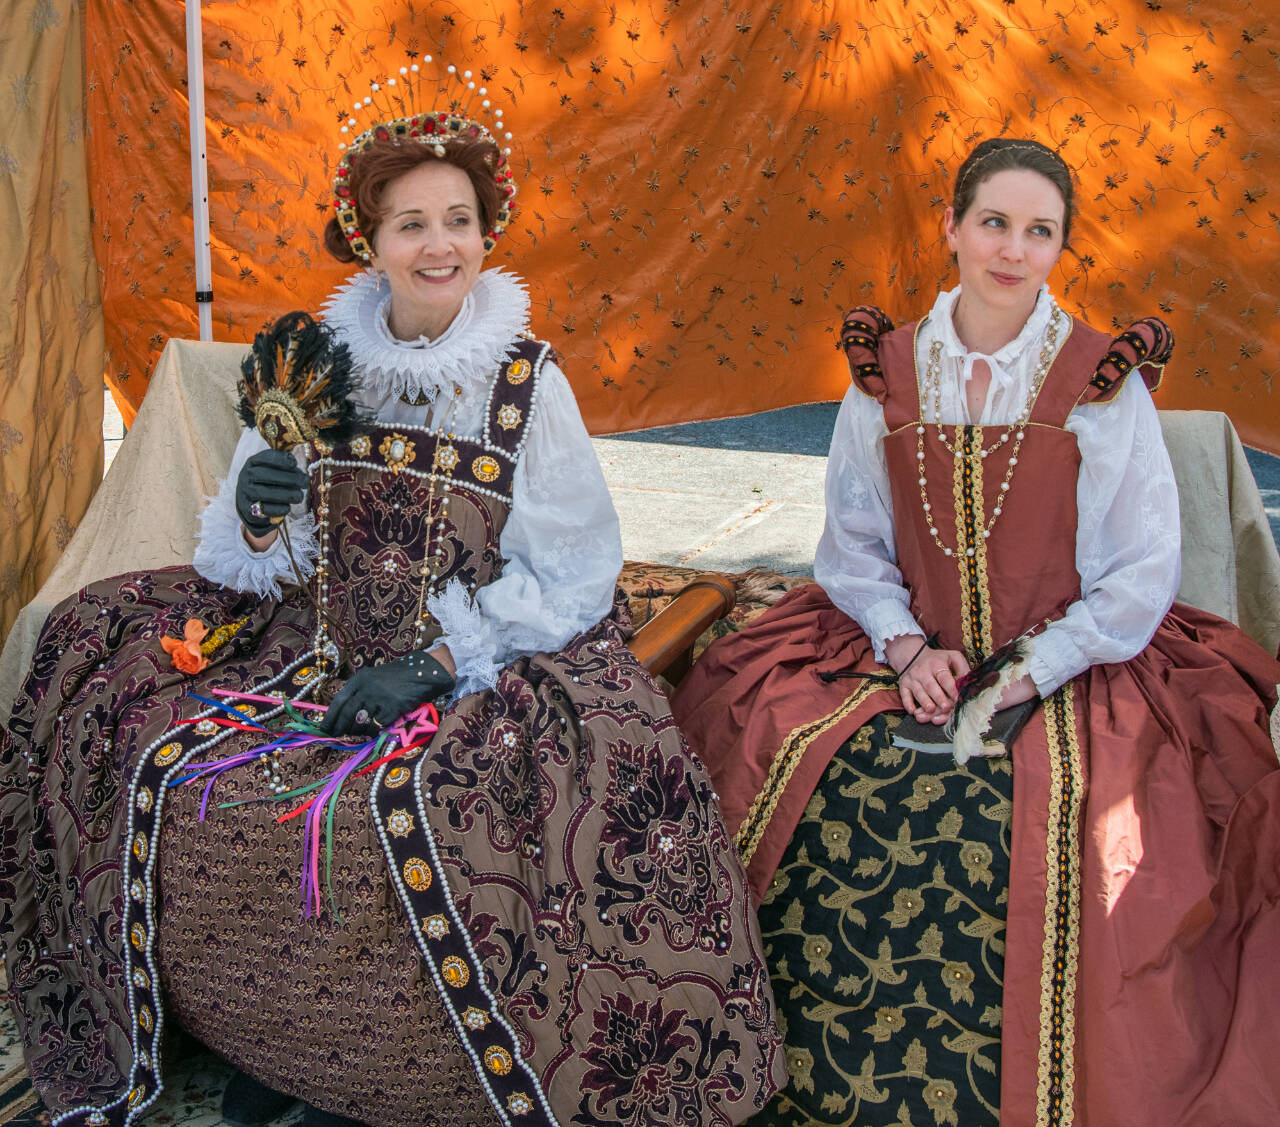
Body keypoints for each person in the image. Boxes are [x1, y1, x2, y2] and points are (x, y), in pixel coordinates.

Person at [0, 66, 783, 1127]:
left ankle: (400, 1082)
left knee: (414, 811)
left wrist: (434, 663)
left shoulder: (524, 381)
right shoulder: (322, 369)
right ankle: (274, 1041)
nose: (438, 245)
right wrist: (260, 510)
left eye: (457, 220)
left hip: (480, 660)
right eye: (410, 224)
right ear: (368, 241)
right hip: (315, 639)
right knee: (166, 760)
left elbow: (573, 570)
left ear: (487, 234)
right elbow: (261, 558)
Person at [671, 137, 1280, 1127]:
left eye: (1039, 231)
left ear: (1060, 247)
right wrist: (905, 644)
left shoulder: (1100, 380)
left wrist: (1029, 669)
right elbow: (852, 543)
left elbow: (1137, 574)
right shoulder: (887, 370)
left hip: (1078, 660)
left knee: (1084, 823)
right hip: (895, 646)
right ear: (951, 227)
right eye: (993, 222)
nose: (1012, 249)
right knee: (800, 764)